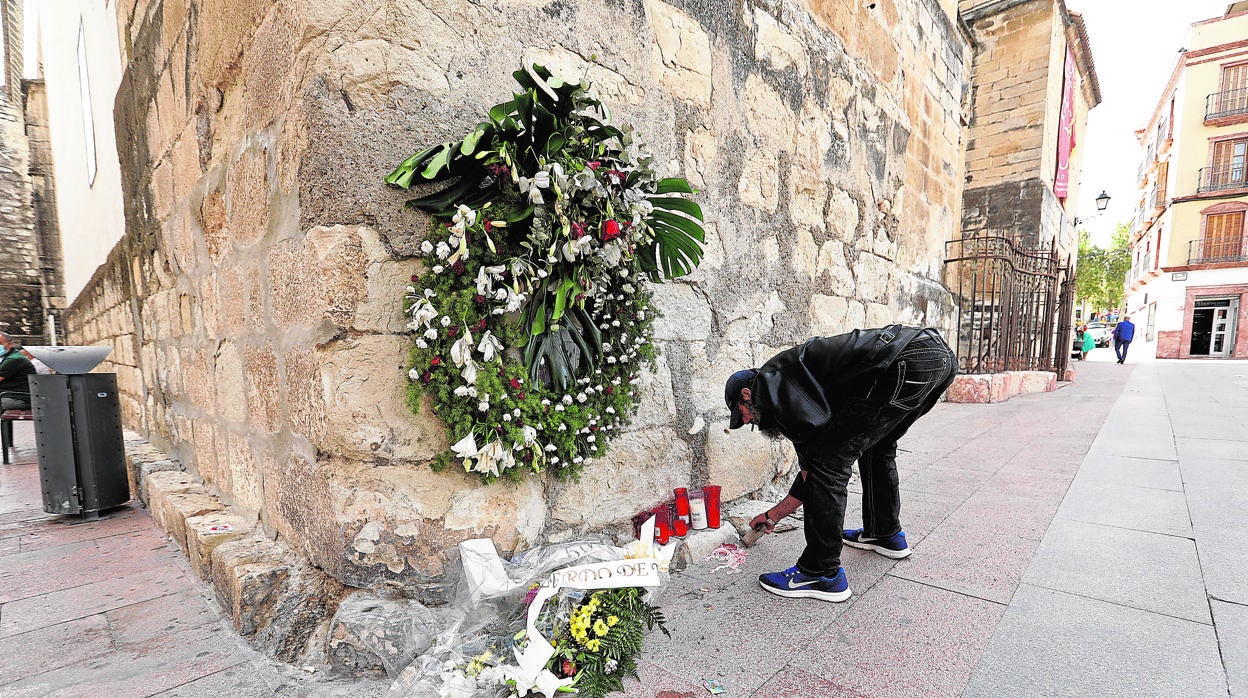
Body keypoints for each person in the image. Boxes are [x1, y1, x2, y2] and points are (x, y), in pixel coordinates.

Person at [725, 324, 958, 602]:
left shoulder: (770, 386)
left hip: (905, 359)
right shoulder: (789, 380)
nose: (749, 422)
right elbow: (813, 468)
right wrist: (775, 514)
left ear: (747, 395)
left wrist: (776, 512)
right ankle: (884, 534)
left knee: (829, 461)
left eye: (743, 415)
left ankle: (819, 572)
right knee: (878, 446)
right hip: (936, 356)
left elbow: (816, 468)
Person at [0, 332, 37, 410]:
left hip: (19, 397)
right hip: (9, 395)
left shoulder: (14, 359)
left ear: (10, 344)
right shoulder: (8, 356)